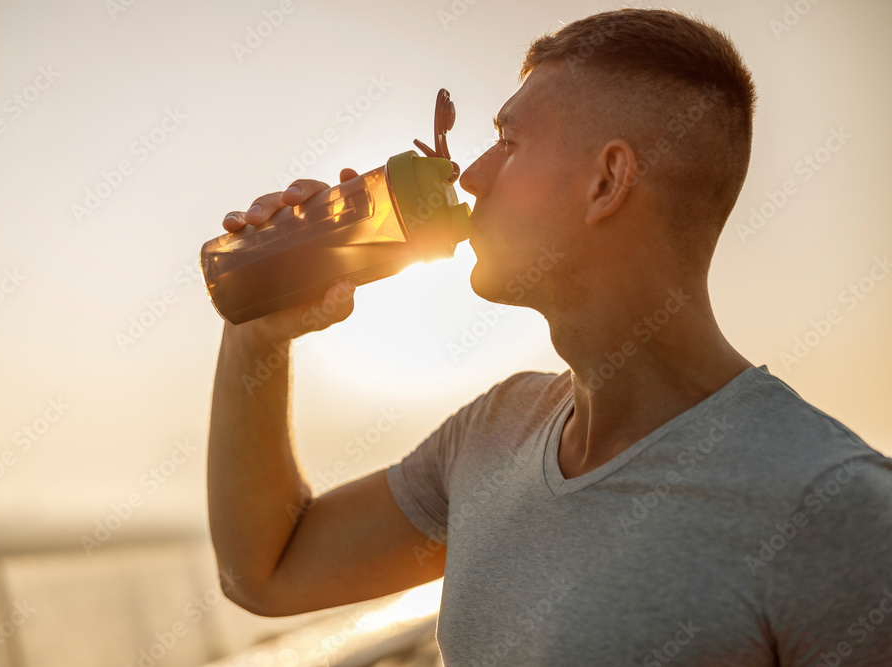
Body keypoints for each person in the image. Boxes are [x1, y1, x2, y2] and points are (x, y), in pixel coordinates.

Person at [206, 8, 892, 664]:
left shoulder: (836, 507)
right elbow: (268, 570)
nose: (471, 176)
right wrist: (258, 335)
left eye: (508, 142)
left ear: (606, 181)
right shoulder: (493, 434)